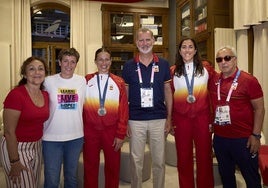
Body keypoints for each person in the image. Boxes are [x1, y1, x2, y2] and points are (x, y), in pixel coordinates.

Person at [122, 27, 172, 188]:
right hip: (135, 119)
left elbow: (167, 91)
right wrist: (125, 121)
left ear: (153, 41)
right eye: (141, 40)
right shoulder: (129, 66)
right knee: (136, 161)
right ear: (136, 43)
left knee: (159, 161)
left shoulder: (163, 64)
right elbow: (125, 95)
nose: (144, 43)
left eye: (147, 40)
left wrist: (169, 118)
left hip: (159, 118)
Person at [209, 46, 265, 188]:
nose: (223, 62)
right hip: (220, 139)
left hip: (243, 140)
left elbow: (260, 109)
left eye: (227, 58)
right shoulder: (214, 79)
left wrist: (256, 135)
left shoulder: (249, 80)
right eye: (219, 59)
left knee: (251, 177)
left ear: (235, 59)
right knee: (226, 177)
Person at [170, 38, 214, 188]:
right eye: (184, 47)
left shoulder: (206, 67)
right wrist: (170, 121)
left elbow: (216, 90)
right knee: (183, 158)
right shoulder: (173, 71)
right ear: (180, 51)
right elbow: (169, 97)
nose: (187, 50)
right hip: (181, 119)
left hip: (202, 118)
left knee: (204, 157)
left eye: (190, 47)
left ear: (195, 50)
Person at [0, 56, 49, 188]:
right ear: (25, 74)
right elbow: (9, 132)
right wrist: (14, 161)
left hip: (37, 147)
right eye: (31, 69)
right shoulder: (16, 95)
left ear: (45, 73)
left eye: (41, 69)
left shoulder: (45, 95)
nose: (37, 72)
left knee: (34, 183)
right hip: (16, 148)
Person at [83, 47, 128, 188]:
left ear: (110, 61)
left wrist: (121, 134)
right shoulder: (86, 80)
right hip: (90, 131)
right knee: (90, 167)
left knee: (113, 168)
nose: (104, 63)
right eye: (100, 59)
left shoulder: (119, 82)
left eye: (107, 59)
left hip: (112, 131)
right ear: (95, 61)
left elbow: (123, 110)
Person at [42, 48, 86, 188]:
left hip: (75, 137)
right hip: (51, 138)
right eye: (65, 61)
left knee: (71, 177)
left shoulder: (82, 81)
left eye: (72, 62)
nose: (69, 65)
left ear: (76, 64)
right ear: (59, 62)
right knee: (52, 179)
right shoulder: (48, 81)